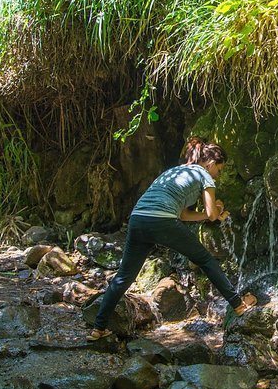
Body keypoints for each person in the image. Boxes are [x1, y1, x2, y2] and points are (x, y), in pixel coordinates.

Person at [87, 137, 257, 341]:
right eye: (219, 171)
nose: (217, 176)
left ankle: (98, 328)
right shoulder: (204, 175)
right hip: (161, 220)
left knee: (124, 277)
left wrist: (210, 214)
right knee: (205, 259)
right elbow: (212, 214)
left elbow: (184, 215)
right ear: (211, 164)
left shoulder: (175, 171)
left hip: (138, 218)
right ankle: (238, 305)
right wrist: (218, 209)